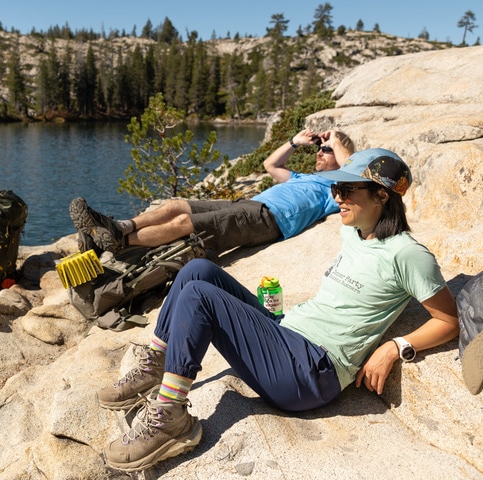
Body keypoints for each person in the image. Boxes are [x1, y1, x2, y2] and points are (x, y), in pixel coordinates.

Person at [96, 148, 459, 472]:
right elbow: (331, 176)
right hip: (286, 333)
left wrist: (394, 347)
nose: (338, 197)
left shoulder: (408, 254)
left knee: (199, 297)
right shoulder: (355, 230)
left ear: (382, 195)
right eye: (336, 190)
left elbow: (449, 320)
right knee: (197, 270)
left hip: (311, 371)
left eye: (347, 191)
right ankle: (159, 362)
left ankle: (171, 418)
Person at [70, 129, 355, 253]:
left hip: (269, 220)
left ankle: (119, 243)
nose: (320, 152)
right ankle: (118, 228)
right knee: (175, 205)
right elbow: (271, 164)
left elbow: (357, 171)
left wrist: (338, 140)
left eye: (326, 150)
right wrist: (294, 141)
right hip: (248, 206)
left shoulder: (339, 186)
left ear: (341, 155)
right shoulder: (302, 176)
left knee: (184, 224)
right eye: (319, 149)